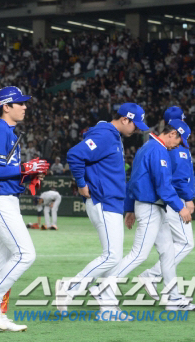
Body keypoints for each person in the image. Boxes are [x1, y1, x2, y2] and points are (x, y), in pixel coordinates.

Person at [91, 119, 195, 314]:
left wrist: (130, 207)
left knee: (168, 253)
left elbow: (134, 180)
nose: (179, 145)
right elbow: (163, 185)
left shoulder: (147, 147)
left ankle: (173, 298)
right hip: (150, 207)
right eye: (179, 140)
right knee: (138, 254)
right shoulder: (157, 150)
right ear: (172, 133)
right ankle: (104, 288)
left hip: (151, 207)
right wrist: (179, 207)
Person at [57, 103, 148, 313]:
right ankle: (70, 288)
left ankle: (108, 306)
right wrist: (81, 184)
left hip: (111, 201)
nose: (136, 129)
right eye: (135, 124)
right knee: (112, 256)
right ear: (125, 119)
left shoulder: (112, 135)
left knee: (113, 256)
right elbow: (74, 154)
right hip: (103, 200)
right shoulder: (106, 134)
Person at [0, 86, 48, 332]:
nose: (25, 106)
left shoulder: (6, 131)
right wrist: (25, 168)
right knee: (25, 254)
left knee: (5, 259)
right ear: (6, 107)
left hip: (5, 198)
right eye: (19, 103)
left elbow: (3, 173)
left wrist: (28, 177)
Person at [139, 107, 195, 299]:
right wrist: (187, 200)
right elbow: (179, 178)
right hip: (174, 199)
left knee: (171, 246)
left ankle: (169, 291)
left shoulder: (165, 144)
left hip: (167, 199)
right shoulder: (175, 146)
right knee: (185, 243)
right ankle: (152, 276)